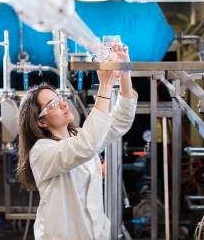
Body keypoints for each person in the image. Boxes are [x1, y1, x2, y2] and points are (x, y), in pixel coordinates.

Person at [16, 47, 137, 240]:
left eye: (59, 99)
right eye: (53, 105)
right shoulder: (41, 151)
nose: (63, 104)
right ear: (40, 121)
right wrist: (104, 86)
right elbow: (86, 146)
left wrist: (124, 72)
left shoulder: (78, 136)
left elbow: (121, 121)